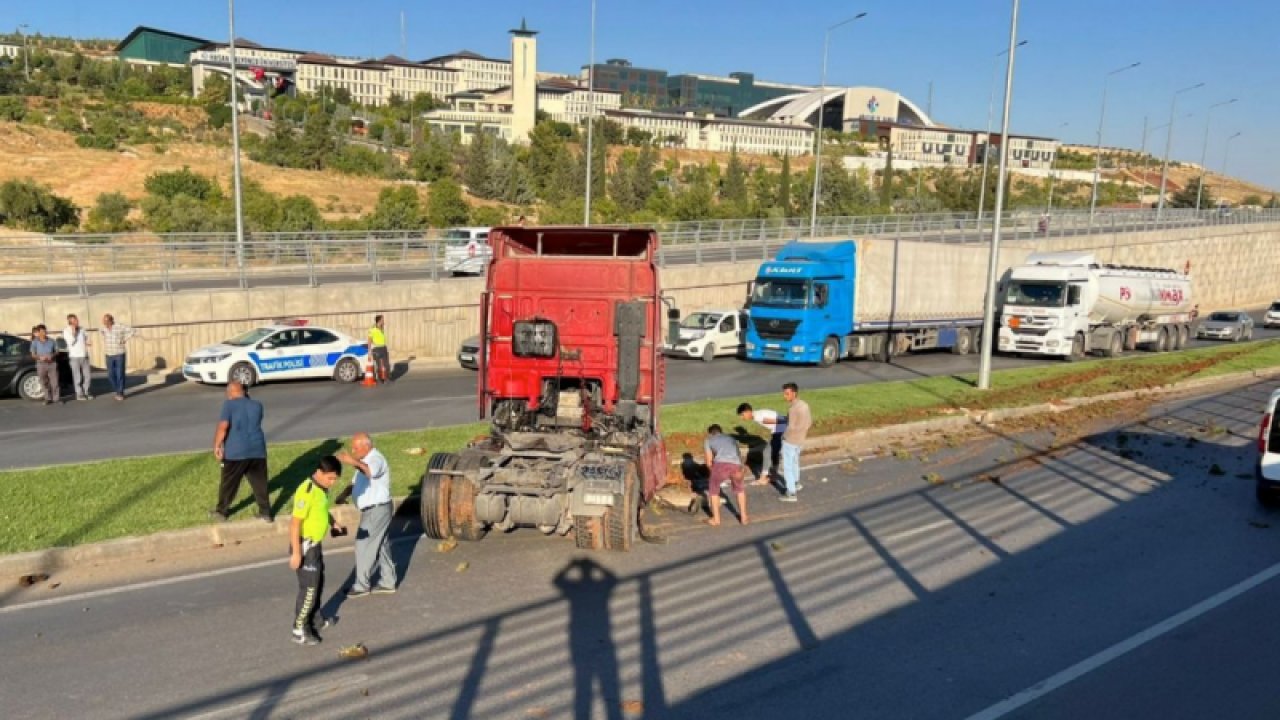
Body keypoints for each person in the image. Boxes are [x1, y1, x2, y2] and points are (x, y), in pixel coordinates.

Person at [289, 454, 345, 646]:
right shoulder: (306, 491)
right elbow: (295, 524)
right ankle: (299, 629)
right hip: (305, 546)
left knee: (319, 583)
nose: (333, 482)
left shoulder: (322, 489)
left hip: (315, 545)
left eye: (335, 478)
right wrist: (297, 553)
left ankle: (315, 620)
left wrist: (332, 522)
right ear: (319, 473)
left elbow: (320, 510)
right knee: (309, 590)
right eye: (330, 478)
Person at [337, 432, 397, 597]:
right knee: (381, 545)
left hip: (376, 510)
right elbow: (355, 482)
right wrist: (344, 495)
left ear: (366, 446)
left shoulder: (375, 459)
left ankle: (361, 585)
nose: (353, 450)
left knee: (363, 545)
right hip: (374, 510)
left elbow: (369, 472)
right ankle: (387, 581)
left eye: (355, 447)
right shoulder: (363, 461)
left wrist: (351, 461)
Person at [211, 380, 273, 522]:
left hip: (235, 452)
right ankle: (266, 512)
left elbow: (223, 426)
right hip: (257, 450)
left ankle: (222, 511)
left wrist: (217, 445)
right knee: (260, 483)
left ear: (231, 392)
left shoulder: (229, 405)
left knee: (229, 483)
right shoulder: (257, 405)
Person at [703, 424, 747, 526]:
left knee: (713, 491)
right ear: (721, 431)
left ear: (710, 433)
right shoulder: (731, 438)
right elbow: (738, 455)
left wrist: (712, 472)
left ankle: (716, 519)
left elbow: (709, 461)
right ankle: (744, 517)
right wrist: (742, 468)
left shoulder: (708, 440)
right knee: (740, 490)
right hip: (736, 465)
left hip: (720, 465)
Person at [737, 402, 788, 486]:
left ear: (747, 411)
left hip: (781, 431)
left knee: (767, 452)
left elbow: (780, 420)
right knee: (772, 453)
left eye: (742, 415)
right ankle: (774, 475)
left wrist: (788, 420)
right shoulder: (757, 415)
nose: (742, 418)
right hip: (779, 431)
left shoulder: (759, 416)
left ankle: (763, 478)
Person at [779, 382, 812, 503]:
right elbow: (809, 422)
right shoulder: (804, 405)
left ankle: (791, 492)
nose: (784, 396)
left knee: (787, 466)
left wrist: (784, 436)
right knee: (795, 462)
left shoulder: (793, 409)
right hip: (801, 439)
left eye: (787, 394)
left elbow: (791, 427)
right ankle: (796, 482)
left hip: (790, 440)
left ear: (794, 393)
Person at [99, 313, 135, 401]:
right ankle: (117, 390)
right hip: (109, 354)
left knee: (120, 374)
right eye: (104, 321)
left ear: (111, 320)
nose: (105, 323)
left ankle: (120, 392)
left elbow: (133, 330)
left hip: (119, 354)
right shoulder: (102, 329)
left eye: (107, 321)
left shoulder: (119, 326)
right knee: (110, 375)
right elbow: (102, 334)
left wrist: (124, 339)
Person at [63, 314, 92, 400]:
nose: (76, 321)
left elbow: (86, 338)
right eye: (74, 320)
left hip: (84, 355)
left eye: (76, 320)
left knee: (87, 376)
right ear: (70, 322)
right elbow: (71, 342)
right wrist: (74, 331)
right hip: (74, 356)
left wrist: (88, 342)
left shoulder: (82, 329)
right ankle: (79, 393)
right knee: (77, 376)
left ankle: (87, 391)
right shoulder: (66, 331)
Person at [29, 324, 60, 406]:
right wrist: (39, 357)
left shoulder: (52, 341)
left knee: (55, 382)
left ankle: (56, 399)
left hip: (52, 363)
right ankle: (47, 398)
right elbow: (33, 354)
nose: (44, 333)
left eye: (45, 331)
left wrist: (52, 355)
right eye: (42, 331)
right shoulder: (34, 342)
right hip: (41, 364)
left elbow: (57, 351)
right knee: (44, 382)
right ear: (38, 332)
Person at [368, 314, 390, 384]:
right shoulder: (372, 329)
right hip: (377, 349)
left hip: (383, 348)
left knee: (386, 365)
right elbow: (369, 340)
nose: (384, 321)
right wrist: (369, 351)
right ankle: (380, 379)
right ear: (379, 321)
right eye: (382, 320)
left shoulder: (382, 328)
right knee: (379, 365)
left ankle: (386, 378)